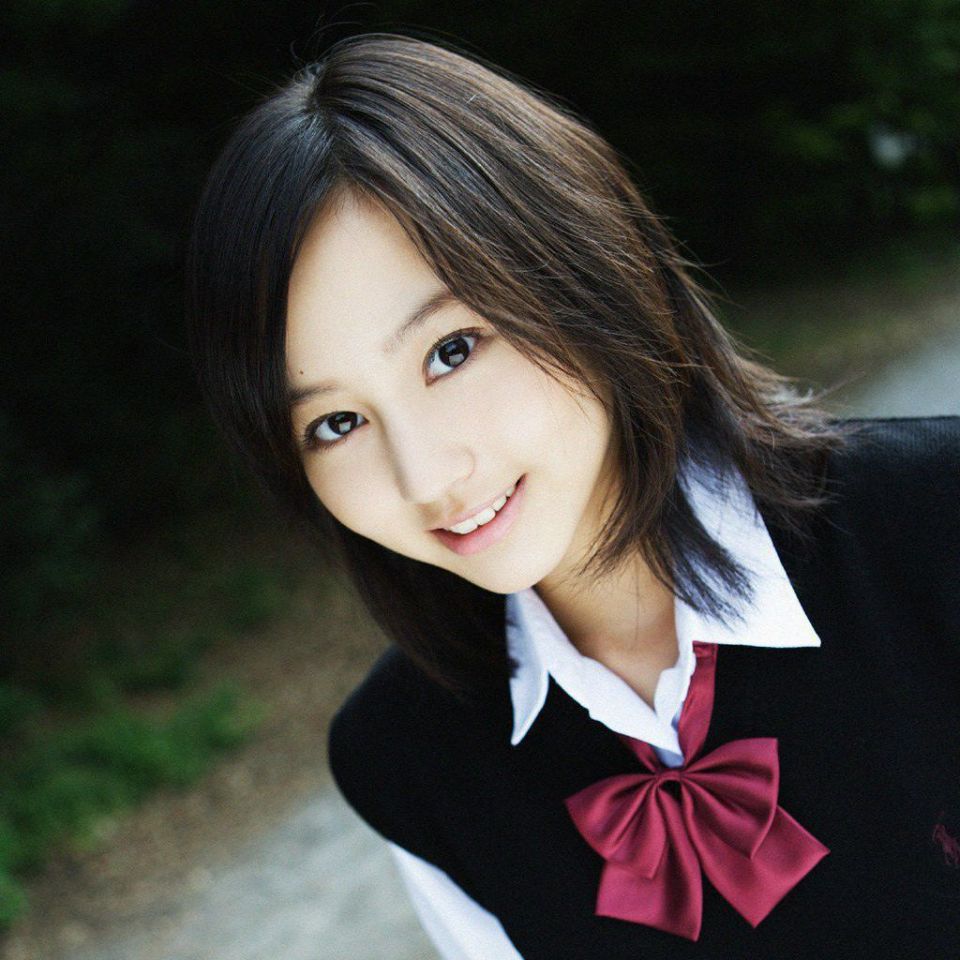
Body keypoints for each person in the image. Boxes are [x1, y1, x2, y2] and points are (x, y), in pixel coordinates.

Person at [186, 32, 960, 960]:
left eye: (451, 352)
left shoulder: (936, 526)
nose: (426, 477)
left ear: (584, 269)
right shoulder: (406, 763)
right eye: (336, 423)